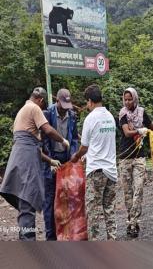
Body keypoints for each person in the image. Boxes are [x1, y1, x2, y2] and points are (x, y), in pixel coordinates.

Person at [0, 87, 69, 241]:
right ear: (41, 100)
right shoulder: (33, 107)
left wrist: (50, 160)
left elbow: (31, 145)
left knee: (24, 202)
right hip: (26, 162)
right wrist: (63, 140)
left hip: (19, 158)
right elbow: (48, 129)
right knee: (27, 201)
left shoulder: (22, 111)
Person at [118, 87, 153, 238]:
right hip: (125, 157)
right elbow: (126, 133)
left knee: (139, 188)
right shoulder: (123, 114)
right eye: (126, 99)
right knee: (128, 193)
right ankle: (131, 222)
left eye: (130, 99)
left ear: (135, 99)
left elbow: (152, 126)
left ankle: (133, 221)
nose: (128, 102)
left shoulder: (142, 113)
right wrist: (139, 131)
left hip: (139, 157)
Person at [70, 85, 118, 241]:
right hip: (111, 171)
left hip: (96, 171)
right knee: (109, 209)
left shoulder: (90, 119)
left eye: (87, 102)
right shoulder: (110, 117)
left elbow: (84, 147)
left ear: (90, 101)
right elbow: (101, 143)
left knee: (93, 212)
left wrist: (76, 156)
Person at [41, 88, 78, 241]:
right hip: (51, 158)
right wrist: (49, 160)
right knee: (50, 199)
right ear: (57, 102)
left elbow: (74, 138)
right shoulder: (47, 114)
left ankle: (66, 233)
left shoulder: (72, 116)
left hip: (66, 158)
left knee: (67, 197)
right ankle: (51, 237)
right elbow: (43, 140)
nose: (64, 110)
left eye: (67, 107)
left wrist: (74, 153)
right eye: (62, 106)